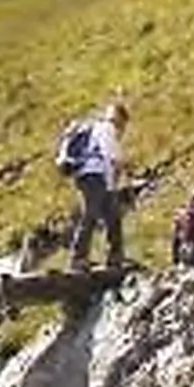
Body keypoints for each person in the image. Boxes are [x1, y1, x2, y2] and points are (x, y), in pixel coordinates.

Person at [67, 101, 129, 272]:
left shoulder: (94, 128)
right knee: (92, 214)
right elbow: (112, 157)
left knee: (112, 216)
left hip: (85, 174)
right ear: (120, 119)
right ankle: (78, 258)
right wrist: (116, 179)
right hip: (95, 175)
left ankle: (115, 256)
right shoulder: (107, 128)